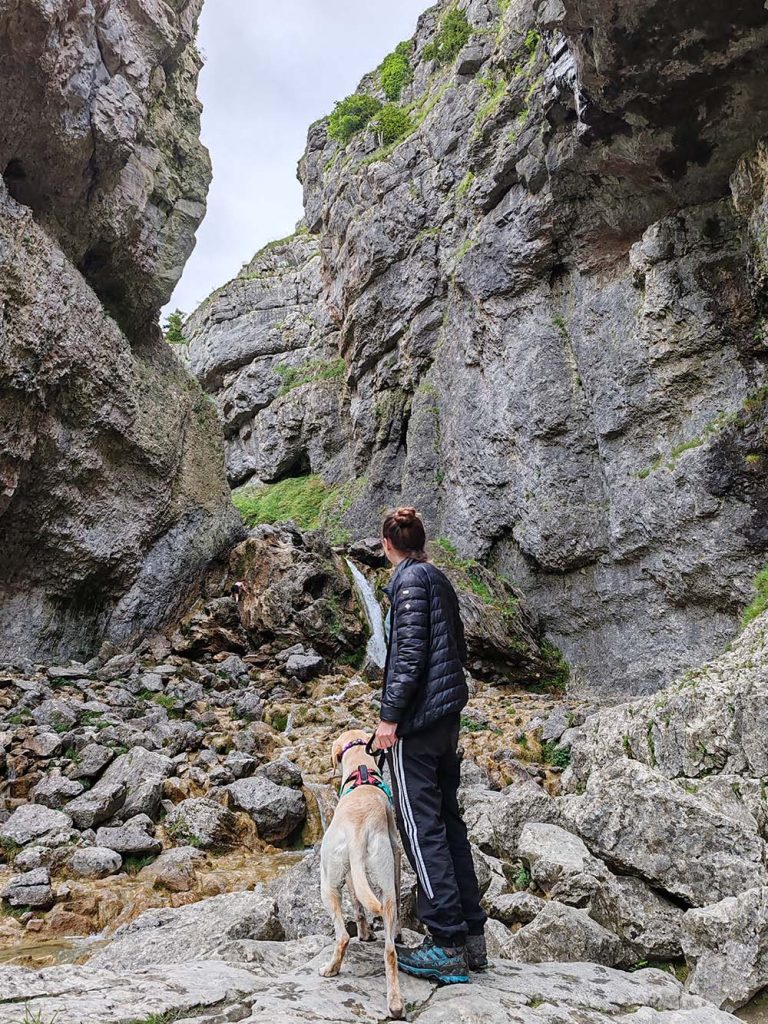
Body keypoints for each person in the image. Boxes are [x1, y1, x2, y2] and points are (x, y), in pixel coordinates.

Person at [374, 506, 487, 984]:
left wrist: (388, 720)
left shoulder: (406, 583)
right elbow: (456, 648)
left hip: (417, 726)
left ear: (387, 546)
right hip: (446, 717)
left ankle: (444, 943)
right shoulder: (437, 577)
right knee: (447, 820)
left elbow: (407, 658)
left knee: (422, 829)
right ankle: (472, 938)